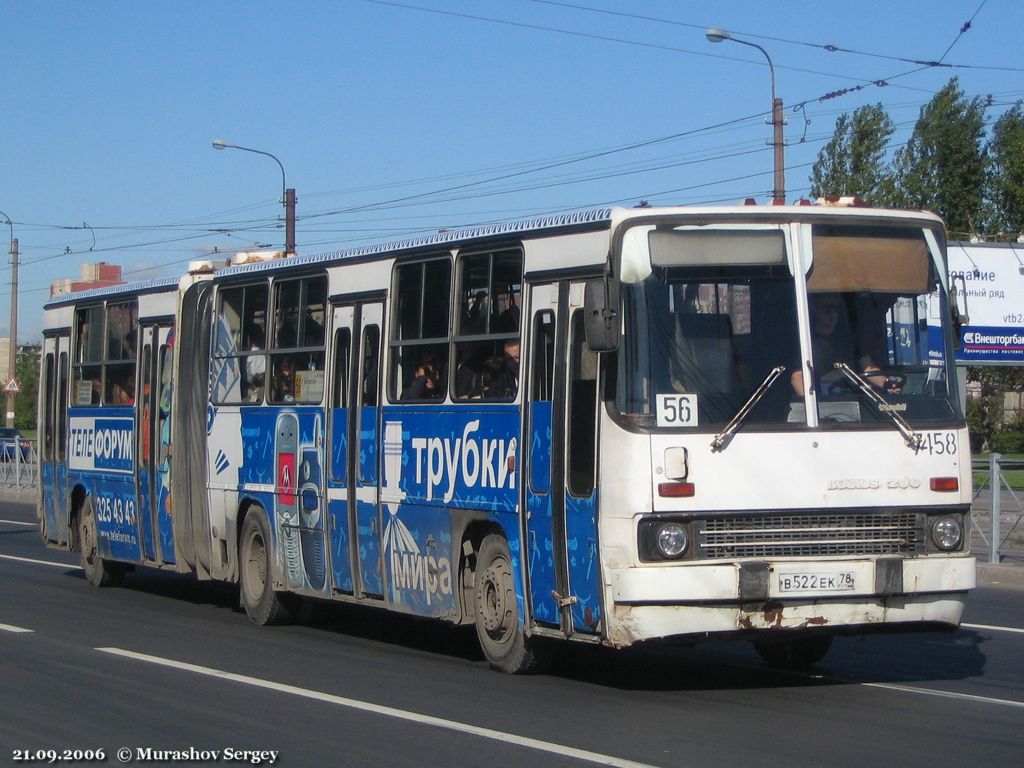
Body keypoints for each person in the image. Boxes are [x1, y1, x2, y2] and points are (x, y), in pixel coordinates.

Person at [791, 293, 890, 396]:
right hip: (822, 404)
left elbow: (868, 368)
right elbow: (797, 377)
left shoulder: (850, 339)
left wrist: (888, 383)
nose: (833, 314)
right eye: (827, 309)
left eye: (836, 309)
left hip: (852, 401)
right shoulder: (805, 342)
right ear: (814, 309)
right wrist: (813, 405)